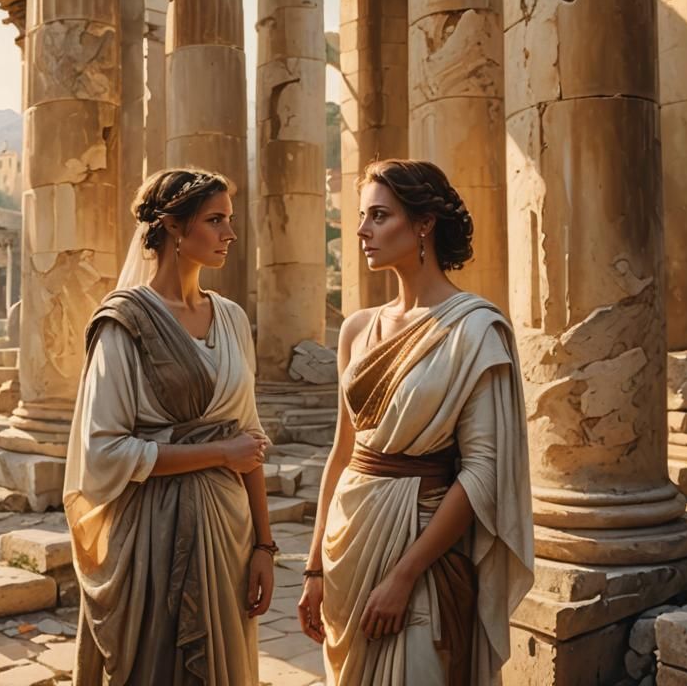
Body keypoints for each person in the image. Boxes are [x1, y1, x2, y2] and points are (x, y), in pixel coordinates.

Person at [298, 159, 534, 686]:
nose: (361, 230)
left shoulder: (474, 330)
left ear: (423, 223)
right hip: (347, 549)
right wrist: (314, 567)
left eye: (379, 216)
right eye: (362, 216)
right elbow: (342, 454)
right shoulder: (357, 329)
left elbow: (482, 473)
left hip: (420, 555)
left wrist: (404, 576)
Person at [64, 168, 275, 686]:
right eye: (215, 220)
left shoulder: (230, 318)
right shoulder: (125, 324)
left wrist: (265, 547)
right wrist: (221, 454)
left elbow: (248, 434)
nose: (229, 233)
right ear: (175, 229)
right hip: (154, 539)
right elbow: (105, 452)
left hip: (229, 534)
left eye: (229, 219)